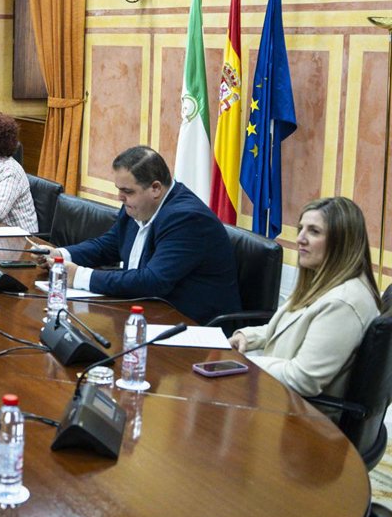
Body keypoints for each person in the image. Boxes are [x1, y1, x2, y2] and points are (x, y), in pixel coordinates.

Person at [42, 145, 240, 325]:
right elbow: (109, 245)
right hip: (147, 314)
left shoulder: (186, 218)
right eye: (119, 190)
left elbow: (153, 281)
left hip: (193, 326)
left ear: (155, 188)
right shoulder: (138, 205)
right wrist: (59, 255)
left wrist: (79, 276)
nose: (120, 197)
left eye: (127, 191)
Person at [230, 197, 382, 398]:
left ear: (342, 242)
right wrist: (248, 337)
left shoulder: (342, 304)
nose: (300, 239)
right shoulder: (323, 280)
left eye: (314, 231)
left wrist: (244, 364)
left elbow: (304, 379)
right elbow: (288, 328)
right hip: (277, 394)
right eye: (301, 229)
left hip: (297, 410)